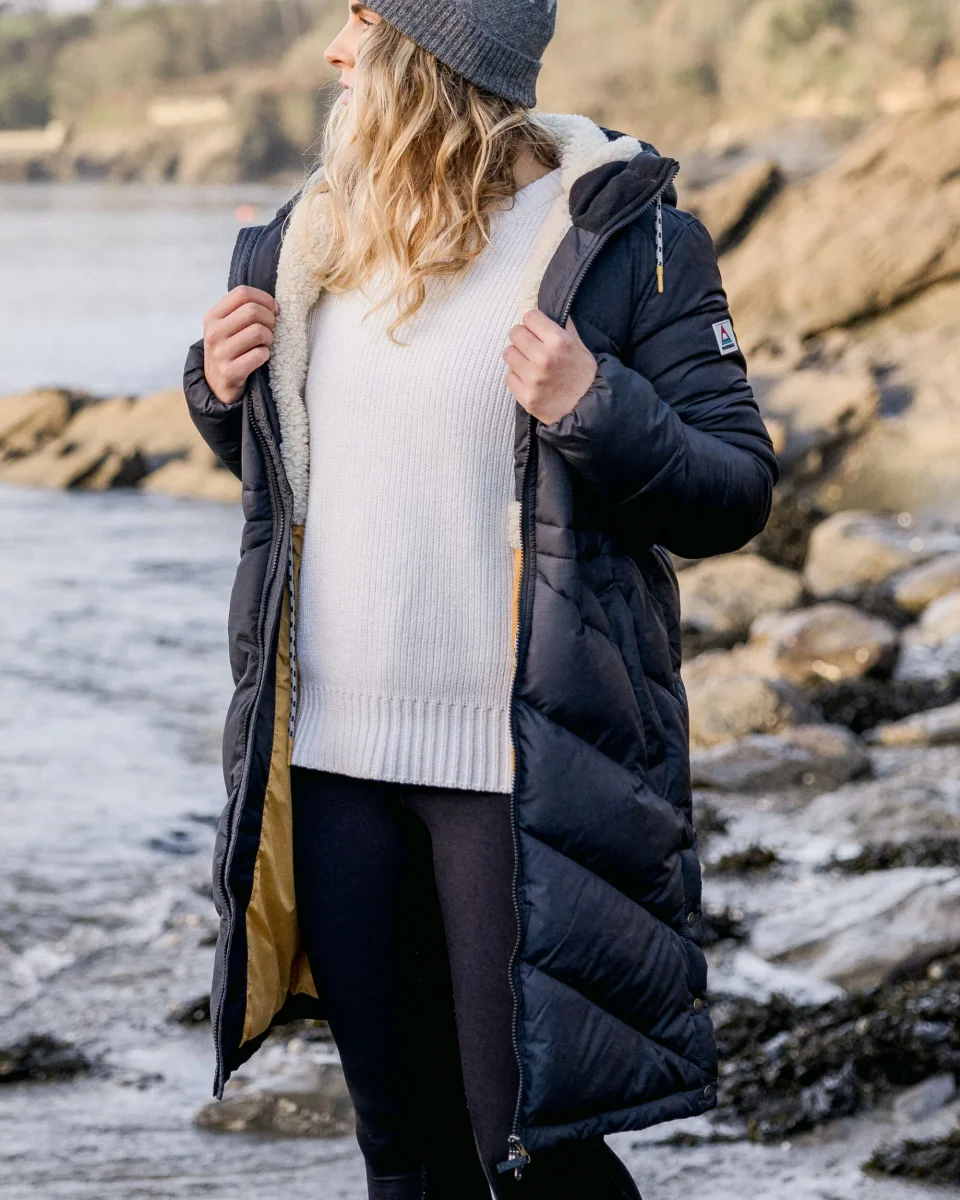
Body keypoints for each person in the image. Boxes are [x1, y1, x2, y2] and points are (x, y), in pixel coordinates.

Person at [183, 1, 778, 1196]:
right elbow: (317, 476)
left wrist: (594, 405)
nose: (333, 50)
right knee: (406, 1152)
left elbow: (734, 489)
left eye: (361, 18)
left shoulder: (622, 239)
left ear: (434, 53)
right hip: (334, 762)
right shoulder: (310, 238)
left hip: (519, 772)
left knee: (535, 1159)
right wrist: (219, 388)